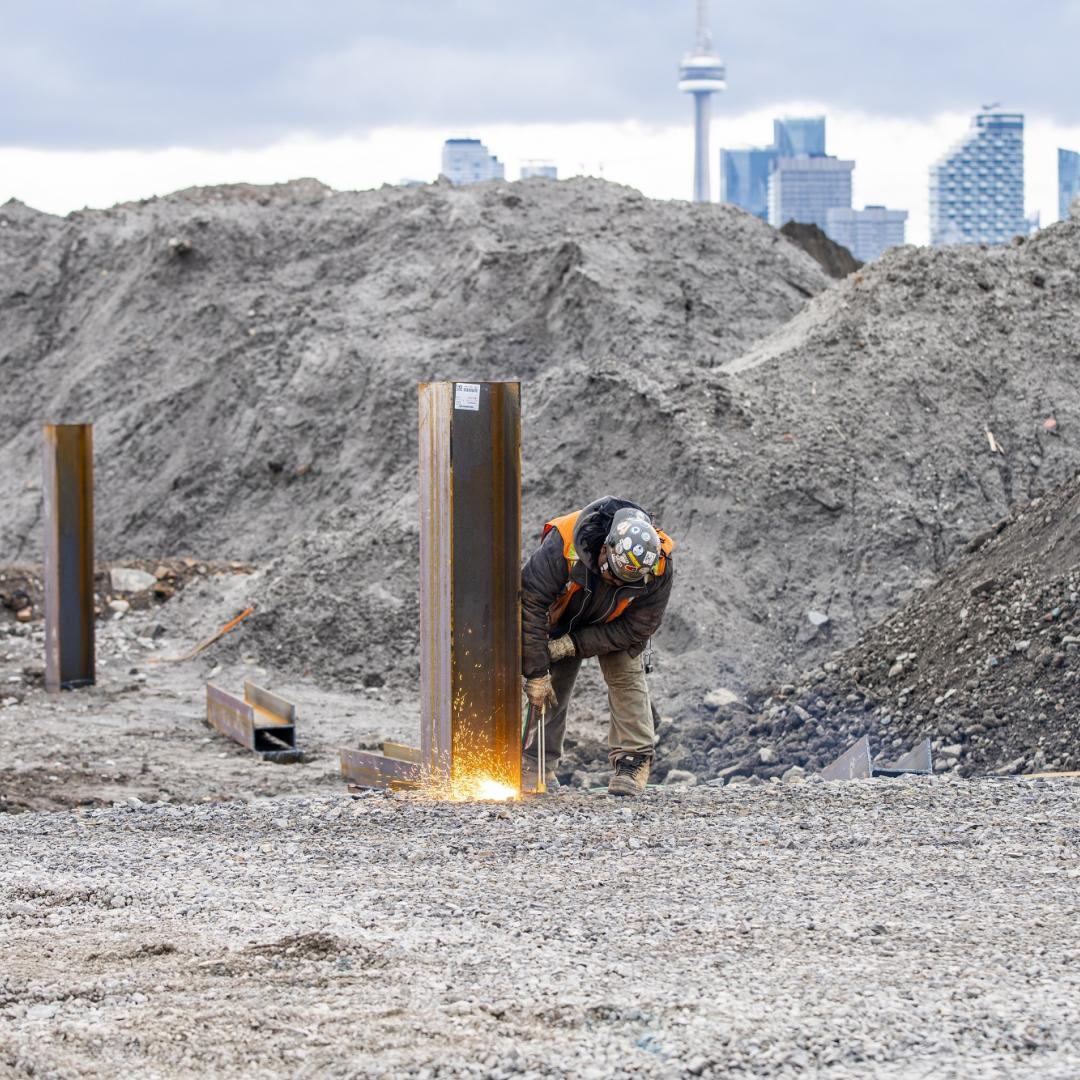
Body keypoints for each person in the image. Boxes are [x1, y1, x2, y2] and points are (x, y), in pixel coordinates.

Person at [521, 496, 675, 797]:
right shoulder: (562, 543)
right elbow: (531, 601)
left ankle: (633, 762)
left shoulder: (658, 566)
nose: (615, 583)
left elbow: (638, 628)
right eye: (611, 574)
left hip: (618, 623)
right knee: (552, 684)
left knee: (626, 675)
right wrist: (536, 671)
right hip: (563, 614)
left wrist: (574, 645)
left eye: (624, 581)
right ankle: (534, 765)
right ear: (605, 547)